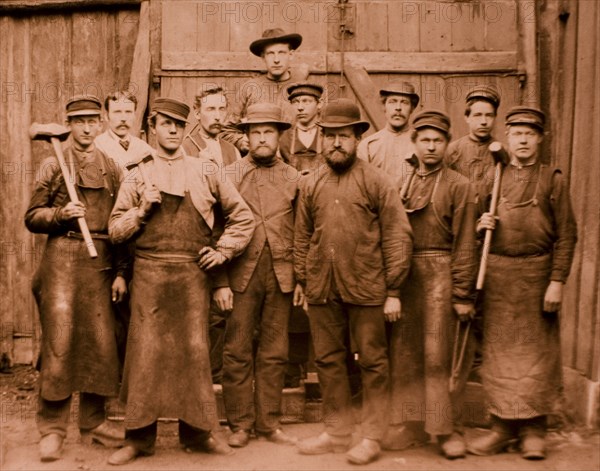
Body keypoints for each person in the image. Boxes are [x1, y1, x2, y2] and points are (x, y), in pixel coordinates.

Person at [107, 97, 255, 465]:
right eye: (164, 124)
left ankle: (199, 433)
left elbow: (242, 218)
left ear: (184, 128)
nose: (171, 130)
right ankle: (138, 438)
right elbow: (114, 231)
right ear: (152, 129)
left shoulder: (206, 171)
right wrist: (141, 212)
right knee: (144, 358)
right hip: (149, 277)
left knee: (194, 355)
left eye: (177, 124)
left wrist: (223, 251)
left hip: (192, 277)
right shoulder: (137, 173)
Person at [294, 99, 413, 465]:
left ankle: (373, 436)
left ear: (357, 138)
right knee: (328, 361)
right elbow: (302, 236)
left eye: (343, 136)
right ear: (322, 139)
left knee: (373, 363)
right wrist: (304, 279)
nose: (336, 144)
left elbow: (398, 235)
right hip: (322, 288)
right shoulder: (312, 182)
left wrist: (393, 289)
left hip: (367, 288)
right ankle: (337, 431)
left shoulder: (376, 181)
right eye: (329, 136)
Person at [468, 107, 577, 460]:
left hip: (536, 277)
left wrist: (557, 281)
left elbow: (567, 236)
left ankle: (533, 430)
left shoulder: (552, 179)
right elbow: (472, 230)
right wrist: (480, 225)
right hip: (498, 277)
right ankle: (501, 427)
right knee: (499, 355)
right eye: (517, 133)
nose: (524, 140)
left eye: (530, 133)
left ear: (540, 138)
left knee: (535, 357)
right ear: (509, 137)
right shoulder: (492, 176)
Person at [25, 95, 127, 462]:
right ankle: (52, 429)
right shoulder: (54, 164)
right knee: (60, 343)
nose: (86, 127)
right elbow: (32, 216)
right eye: (79, 121)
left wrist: (119, 273)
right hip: (62, 260)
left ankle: (94, 423)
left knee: (100, 343)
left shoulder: (112, 167)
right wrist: (61, 214)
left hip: (99, 262)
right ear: (68, 125)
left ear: (101, 124)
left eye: (92, 121)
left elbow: (120, 223)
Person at [384, 110, 478, 459]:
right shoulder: (402, 182)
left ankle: (444, 430)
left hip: (441, 271)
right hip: (407, 274)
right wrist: (391, 284)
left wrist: (462, 292)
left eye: (438, 140)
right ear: (415, 142)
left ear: (447, 145)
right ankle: (408, 424)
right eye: (424, 139)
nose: (431, 146)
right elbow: (392, 233)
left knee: (438, 356)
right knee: (405, 353)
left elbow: (467, 242)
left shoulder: (460, 186)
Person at [220, 103, 302, 448]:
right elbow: (215, 229)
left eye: (269, 132)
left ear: (280, 135)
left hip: (281, 275)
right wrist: (220, 281)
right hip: (241, 274)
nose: (263, 138)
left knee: (274, 351)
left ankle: (269, 422)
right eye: (256, 132)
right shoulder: (230, 174)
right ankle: (240, 424)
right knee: (237, 349)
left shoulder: (295, 178)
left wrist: (301, 279)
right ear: (247, 137)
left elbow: (304, 231)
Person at [183, 86, 242, 384]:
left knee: (224, 312)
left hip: (228, 237)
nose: (217, 116)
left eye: (221, 109)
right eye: (210, 109)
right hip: (198, 236)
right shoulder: (185, 146)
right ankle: (195, 377)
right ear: (197, 113)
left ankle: (217, 378)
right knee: (197, 310)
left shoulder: (232, 150)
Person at [220, 28, 309, 154]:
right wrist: (240, 141)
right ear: (263, 57)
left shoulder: (303, 89)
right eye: (270, 53)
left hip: (294, 164)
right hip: (257, 163)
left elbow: (318, 130)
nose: (276, 59)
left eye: (282, 53)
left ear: (291, 54)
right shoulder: (249, 88)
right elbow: (225, 130)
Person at [357, 82, 420, 185]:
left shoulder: (421, 143)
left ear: (412, 108)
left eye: (404, 102)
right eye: (392, 102)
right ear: (384, 107)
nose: (398, 108)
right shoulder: (368, 146)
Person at [446, 85, 501, 193]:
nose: (484, 121)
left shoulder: (503, 153)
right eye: (478, 115)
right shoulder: (452, 151)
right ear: (467, 118)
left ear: (495, 118)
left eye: (489, 115)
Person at [95, 90, 153, 173]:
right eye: (117, 112)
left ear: (134, 116)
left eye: (128, 112)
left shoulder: (143, 147)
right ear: (107, 116)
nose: (123, 118)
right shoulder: (97, 146)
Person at [279, 82, 324, 173]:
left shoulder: (328, 133)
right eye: (295, 102)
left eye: (306, 101)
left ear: (319, 104)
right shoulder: (284, 136)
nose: (300, 107)